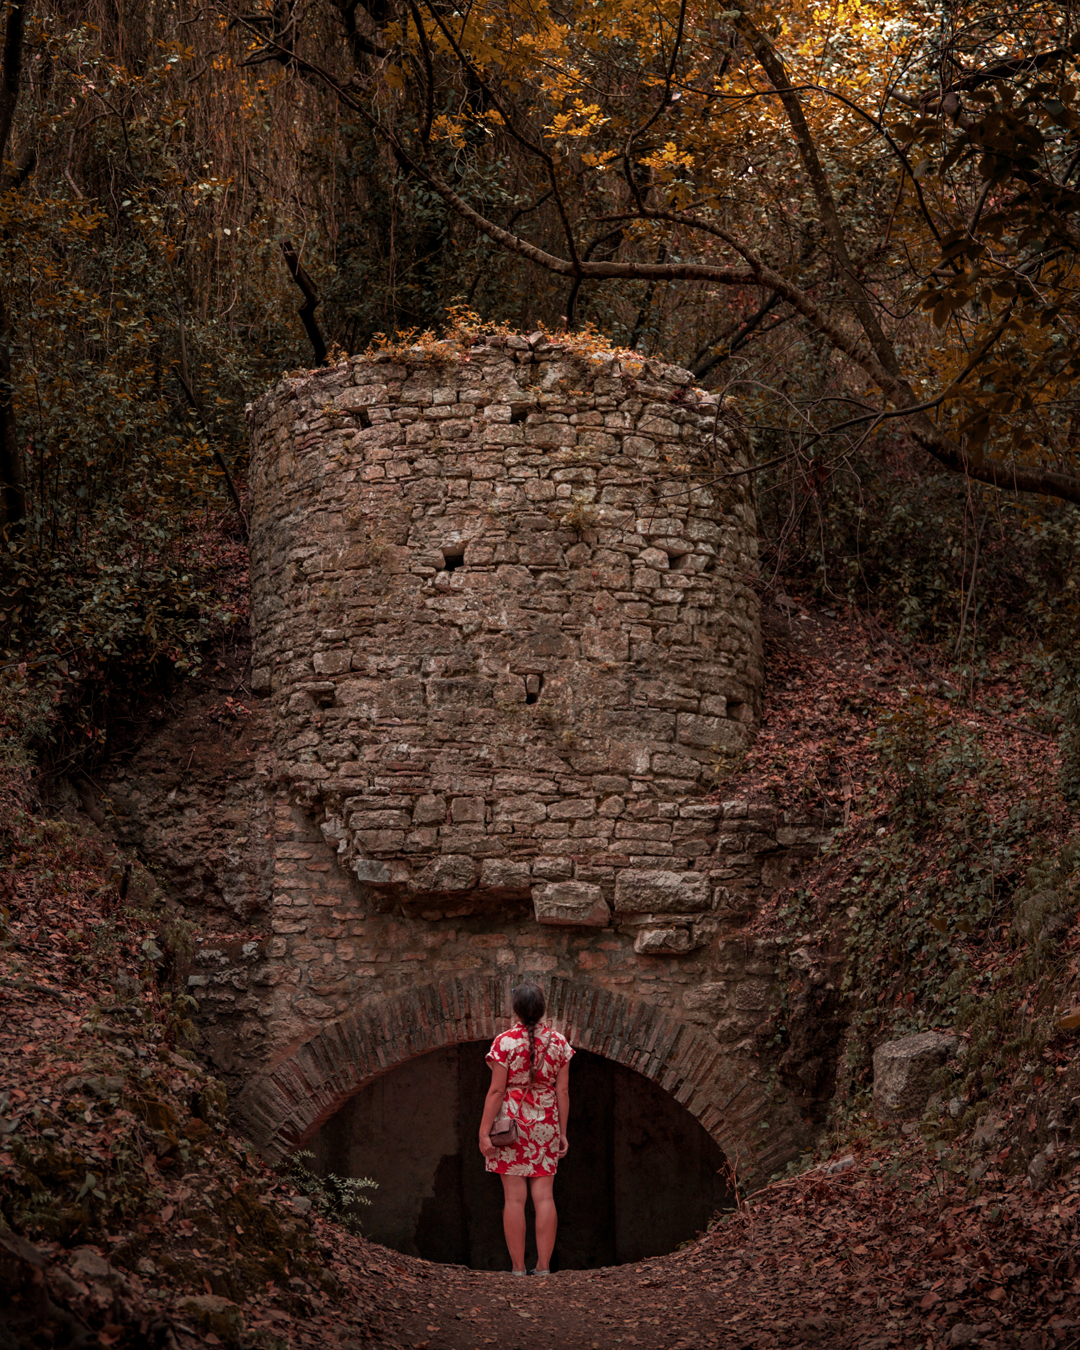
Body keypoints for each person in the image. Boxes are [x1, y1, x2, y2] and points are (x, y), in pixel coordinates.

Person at [478, 982, 573, 1276]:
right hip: (545, 1121)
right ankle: (543, 1267)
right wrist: (561, 1133)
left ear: (516, 1010)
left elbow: (496, 1092)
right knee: (544, 1197)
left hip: (511, 1124)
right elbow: (564, 1091)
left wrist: (483, 1132)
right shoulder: (559, 1043)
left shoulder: (504, 1043)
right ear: (542, 1008)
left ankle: (518, 1268)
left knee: (513, 1199)